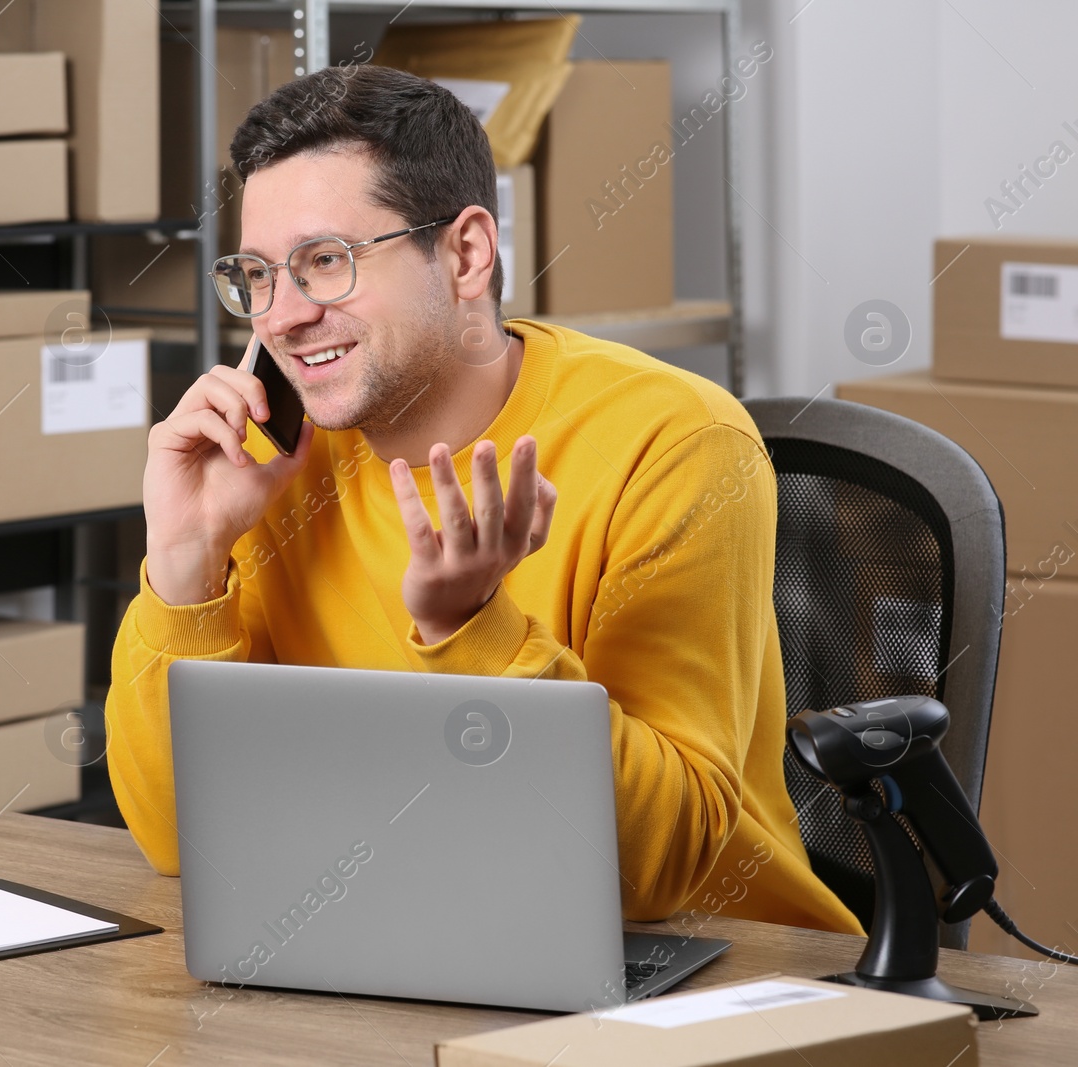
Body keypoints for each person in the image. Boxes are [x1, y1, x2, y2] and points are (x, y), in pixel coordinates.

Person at [104, 64, 860, 934]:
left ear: (466, 253)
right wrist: (186, 567)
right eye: (259, 275)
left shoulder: (674, 443)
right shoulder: (270, 464)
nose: (280, 317)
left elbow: (657, 872)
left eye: (325, 262)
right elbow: (177, 841)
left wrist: (474, 629)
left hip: (713, 970)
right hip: (408, 931)